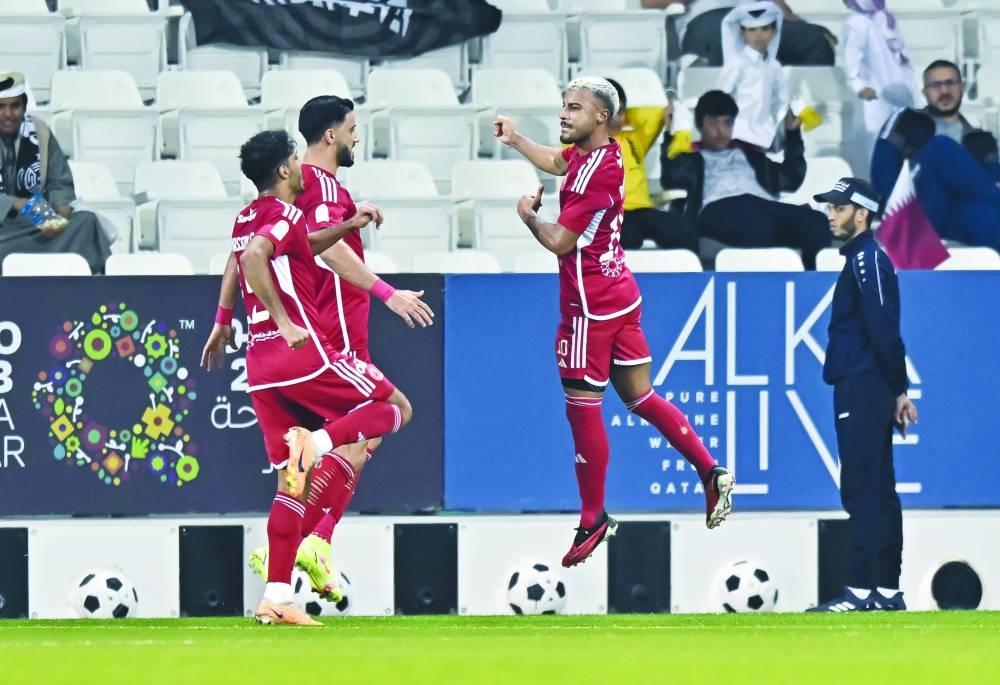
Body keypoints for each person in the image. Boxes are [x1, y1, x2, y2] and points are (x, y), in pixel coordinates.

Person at [494, 77, 734, 569]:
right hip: (621, 294)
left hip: (588, 306)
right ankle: (710, 471)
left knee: (582, 408)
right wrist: (518, 140)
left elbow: (561, 241)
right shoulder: (605, 153)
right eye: (563, 105)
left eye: (574, 108)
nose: (564, 114)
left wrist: (529, 219)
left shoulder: (590, 176)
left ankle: (592, 516)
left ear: (600, 116)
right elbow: (557, 161)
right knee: (641, 397)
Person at [201, 130, 412, 625]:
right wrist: (284, 320)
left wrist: (220, 320)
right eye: (294, 160)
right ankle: (317, 442)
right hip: (302, 355)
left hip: (260, 369)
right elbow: (255, 259)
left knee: (290, 483)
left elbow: (252, 256)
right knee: (395, 409)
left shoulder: (250, 216)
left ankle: (276, 598)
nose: (300, 166)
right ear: (282, 170)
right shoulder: (283, 213)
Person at [247, 95, 435, 602]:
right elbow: (325, 250)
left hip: (312, 331)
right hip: (335, 328)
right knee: (374, 421)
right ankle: (307, 536)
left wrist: (225, 320)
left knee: (355, 438)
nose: (356, 136)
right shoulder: (324, 184)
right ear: (330, 135)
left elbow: (253, 251)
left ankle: (310, 545)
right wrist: (386, 292)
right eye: (352, 128)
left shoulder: (290, 189)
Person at [808, 177, 917, 612]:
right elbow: (883, 329)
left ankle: (858, 591)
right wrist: (896, 390)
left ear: (862, 214)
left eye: (838, 207)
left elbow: (883, 328)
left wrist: (898, 389)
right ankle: (886, 590)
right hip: (872, 385)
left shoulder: (868, 260)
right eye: (829, 207)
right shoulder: (864, 260)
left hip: (862, 386)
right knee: (880, 489)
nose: (830, 214)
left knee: (862, 489)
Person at [660, 90, 829, 268]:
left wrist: (792, 133)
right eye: (713, 123)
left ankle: (815, 288)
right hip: (718, 208)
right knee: (756, 224)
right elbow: (670, 177)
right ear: (700, 125)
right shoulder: (692, 159)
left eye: (727, 123)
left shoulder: (749, 155)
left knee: (816, 222)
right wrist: (669, 133)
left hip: (763, 205)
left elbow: (790, 179)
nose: (721, 130)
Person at [0, 71, 110, 273]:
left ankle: (98, 290)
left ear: (24, 107)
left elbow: (60, 181)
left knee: (86, 222)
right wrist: (16, 203)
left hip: (36, 223)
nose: (8, 114)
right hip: (4, 229)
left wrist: (60, 210)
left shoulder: (39, 132)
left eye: (14, 106)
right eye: (1, 107)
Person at [871, 108, 1000, 251]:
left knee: (985, 217)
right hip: (915, 209)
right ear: (924, 88)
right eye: (936, 85)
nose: (944, 89)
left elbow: (992, 178)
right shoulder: (907, 119)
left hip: (957, 215)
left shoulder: (980, 138)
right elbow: (883, 180)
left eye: (950, 83)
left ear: (961, 87)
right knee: (940, 146)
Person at [605, 78, 697, 252]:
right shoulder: (581, 143)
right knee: (627, 237)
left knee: (685, 230)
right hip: (609, 213)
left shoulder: (634, 139)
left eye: (621, 112)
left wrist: (626, 115)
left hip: (642, 210)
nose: (616, 119)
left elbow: (662, 113)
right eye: (610, 112)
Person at [640, 0, 834, 67]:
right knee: (728, 40)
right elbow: (648, 2)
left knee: (814, 40)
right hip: (708, 18)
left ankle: (810, 126)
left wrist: (799, 23)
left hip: (758, 16)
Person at [841, 0, 918, 164]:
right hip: (876, 97)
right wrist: (860, 87)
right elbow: (850, 62)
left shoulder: (885, 17)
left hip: (902, 94)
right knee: (879, 151)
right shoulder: (857, 23)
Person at [717, 1, 788, 150]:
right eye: (752, 29)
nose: (758, 34)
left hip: (767, 137)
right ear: (742, 34)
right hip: (738, 137)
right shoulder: (737, 64)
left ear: (774, 31)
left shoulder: (775, 67)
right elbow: (720, 99)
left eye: (765, 28)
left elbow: (780, 103)